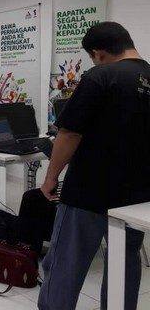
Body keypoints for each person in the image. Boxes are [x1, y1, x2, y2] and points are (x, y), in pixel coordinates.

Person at [38, 22, 150, 310]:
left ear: (98, 53)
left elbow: (70, 133)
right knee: (125, 260)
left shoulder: (101, 76)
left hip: (89, 190)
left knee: (66, 261)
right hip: (137, 195)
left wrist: (51, 177)